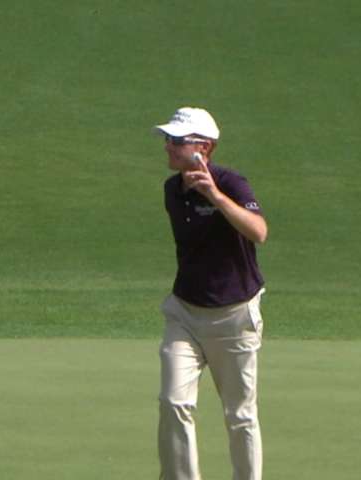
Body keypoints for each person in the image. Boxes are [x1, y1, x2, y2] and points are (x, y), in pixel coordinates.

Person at [154, 107, 268, 480]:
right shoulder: (172, 190)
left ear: (204, 147)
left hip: (234, 317)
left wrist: (216, 197)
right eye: (168, 140)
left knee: (239, 414)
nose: (168, 147)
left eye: (177, 141)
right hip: (185, 314)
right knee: (173, 402)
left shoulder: (232, 183)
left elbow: (258, 232)